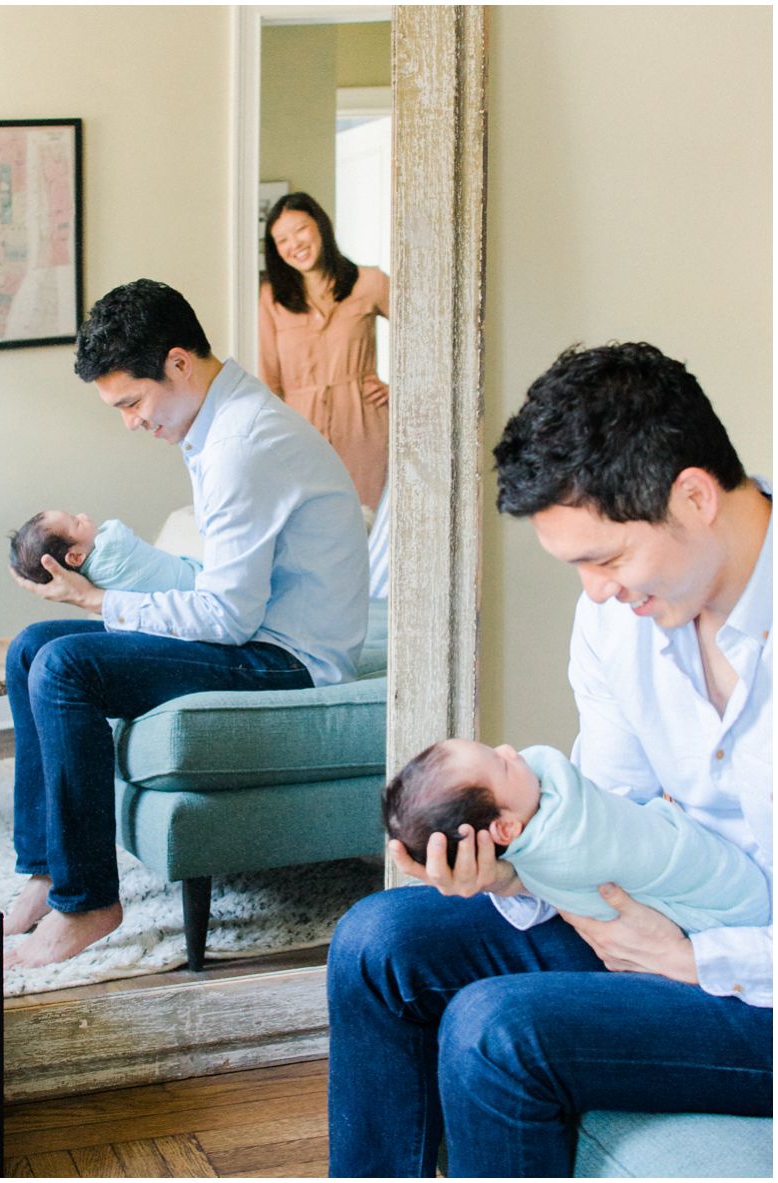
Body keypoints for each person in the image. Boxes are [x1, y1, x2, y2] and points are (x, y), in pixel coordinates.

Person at [328, 342, 772, 1176]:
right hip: (657, 914)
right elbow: (604, 810)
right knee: (376, 941)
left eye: (605, 559)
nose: (597, 592)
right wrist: (514, 875)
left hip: (758, 974)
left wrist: (690, 958)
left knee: (495, 1032)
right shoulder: (619, 620)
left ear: (695, 495)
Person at [4, 278, 368, 968]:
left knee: (67, 665)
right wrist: (96, 594)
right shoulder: (216, 427)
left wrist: (97, 603)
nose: (131, 422)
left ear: (177, 362)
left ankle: (86, 903)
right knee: (30, 649)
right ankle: (47, 872)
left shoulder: (241, 442)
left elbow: (227, 617)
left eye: (132, 402)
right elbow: (213, 588)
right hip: (257, 631)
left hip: (288, 658)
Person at [384, 739, 769, 931]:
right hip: (732, 904)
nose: (510, 750)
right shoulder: (567, 846)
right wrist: (505, 881)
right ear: (505, 828)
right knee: (379, 928)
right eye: (501, 764)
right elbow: (552, 762)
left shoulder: (540, 838)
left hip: (737, 897)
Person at [258, 192, 391, 509]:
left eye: (301, 229)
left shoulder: (369, 282)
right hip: (300, 430)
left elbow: (430, 332)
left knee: (368, 523)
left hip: (364, 426)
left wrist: (402, 387)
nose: (295, 244)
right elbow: (268, 382)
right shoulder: (271, 299)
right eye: (282, 240)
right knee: (312, 526)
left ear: (320, 225)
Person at [8, 510, 201, 591]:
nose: (83, 515)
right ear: (75, 557)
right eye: (77, 522)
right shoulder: (112, 549)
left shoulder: (86, 580)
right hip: (196, 582)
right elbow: (117, 529)